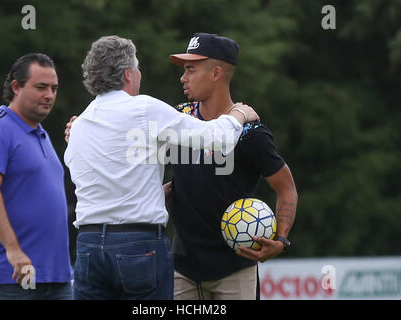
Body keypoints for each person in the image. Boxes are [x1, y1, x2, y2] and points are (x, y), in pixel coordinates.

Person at [63, 35, 259, 300]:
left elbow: (94, 178)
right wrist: (239, 115)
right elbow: (215, 139)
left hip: (88, 246)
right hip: (138, 245)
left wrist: (152, 193)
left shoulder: (80, 125)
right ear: (128, 74)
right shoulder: (144, 108)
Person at [166, 32, 298, 300]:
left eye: (190, 69)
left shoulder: (250, 132)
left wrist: (281, 240)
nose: (183, 77)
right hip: (181, 270)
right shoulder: (178, 118)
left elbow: (287, 189)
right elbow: (128, 131)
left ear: (216, 73)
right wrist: (84, 125)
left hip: (235, 271)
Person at [0, 53, 73, 300]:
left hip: (56, 278)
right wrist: (13, 250)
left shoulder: (42, 135)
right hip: (9, 277)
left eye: (54, 88)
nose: (49, 95)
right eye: (41, 87)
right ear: (16, 86)